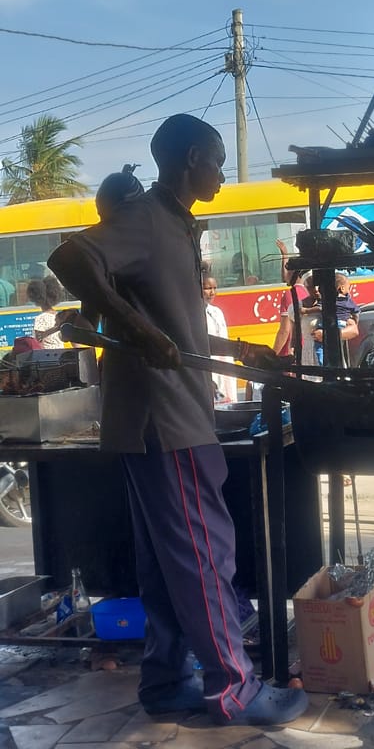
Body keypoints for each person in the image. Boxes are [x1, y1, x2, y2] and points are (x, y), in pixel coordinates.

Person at [47, 113, 307, 727]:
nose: (221, 172)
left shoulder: (180, 228)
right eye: (217, 160)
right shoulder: (145, 217)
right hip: (166, 421)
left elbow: (176, 333)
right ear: (192, 157)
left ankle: (166, 682)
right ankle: (234, 689)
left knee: (166, 564)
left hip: (159, 419)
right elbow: (70, 257)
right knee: (204, 555)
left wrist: (238, 351)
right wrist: (132, 328)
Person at [306, 273, 360, 365]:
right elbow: (356, 313)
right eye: (313, 286)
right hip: (341, 324)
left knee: (324, 348)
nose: (317, 290)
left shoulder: (326, 301)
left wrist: (326, 335)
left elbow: (354, 331)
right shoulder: (347, 302)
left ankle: (324, 364)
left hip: (328, 327)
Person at [203, 275, 238, 403]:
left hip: (224, 364)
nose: (212, 292)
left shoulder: (217, 312)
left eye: (214, 288)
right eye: (207, 288)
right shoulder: (196, 314)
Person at [272, 238, 307, 357]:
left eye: (287, 270)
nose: (284, 274)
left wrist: (272, 356)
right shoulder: (307, 292)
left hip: (290, 352)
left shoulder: (289, 294)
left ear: (293, 273)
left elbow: (284, 331)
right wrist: (284, 255)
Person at [26, 277, 65, 349]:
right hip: (61, 354)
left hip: (48, 356)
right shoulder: (58, 316)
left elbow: (39, 343)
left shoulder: (41, 318)